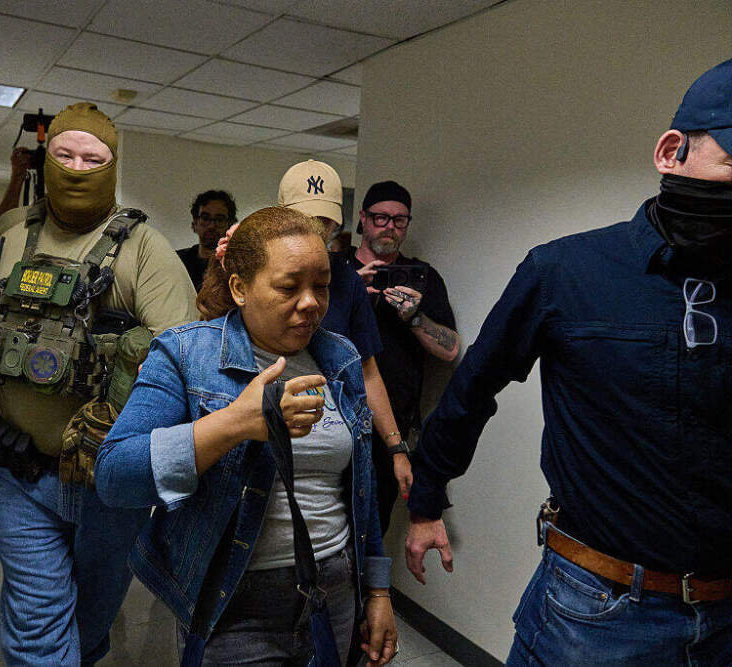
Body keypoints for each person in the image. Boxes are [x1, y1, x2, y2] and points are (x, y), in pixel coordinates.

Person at [405, 59, 732, 665]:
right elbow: (473, 386)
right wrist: (426, 501)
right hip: (597, 615)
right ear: (671, 152)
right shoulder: (564, 272)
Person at [96, 206, 398, 665]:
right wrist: (236, 422)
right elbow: (116, 475)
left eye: (321, 286)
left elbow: (361, 488)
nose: (311, 302)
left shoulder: (340, 357)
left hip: (333, 596)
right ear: (240, 287)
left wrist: (377, 591)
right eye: (289, 286)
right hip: (234, 606)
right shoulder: (183, 354)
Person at [0, 102, 198, 665]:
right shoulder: (10, 231)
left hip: (105, 486)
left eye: (93, 158)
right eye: (64, 154)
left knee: (92, 621)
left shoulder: (144, 249)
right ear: (45, 160)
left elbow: (181, 362)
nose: (76, 167)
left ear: (113, 167)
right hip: (15, 470)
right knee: (37, 628)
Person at [279, 160, 414, 532]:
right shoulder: (260, 269)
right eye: (304, 219)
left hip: (335, 441)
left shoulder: (346, 281)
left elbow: (367, 372)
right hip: (272, 430)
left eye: (324, 221)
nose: (315, 229)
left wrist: (396, 449)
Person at [349, 181, 459, 534]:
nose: (390, 228)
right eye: (381, 218)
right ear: (363, 219)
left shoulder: (423, 277)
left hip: (393, 429)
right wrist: (348, 294)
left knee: (372, 530)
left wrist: (414, 316)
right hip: (336, 414)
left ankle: (367, 591)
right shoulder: (336, 271)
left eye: (400, 220)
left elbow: (450, 349)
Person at [177, 189, 237, 290]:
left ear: (230, 225)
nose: (212, 226)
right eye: (205, 218)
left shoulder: (236, 265)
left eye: (219, 219)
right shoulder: (178, 261)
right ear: (195, 224)